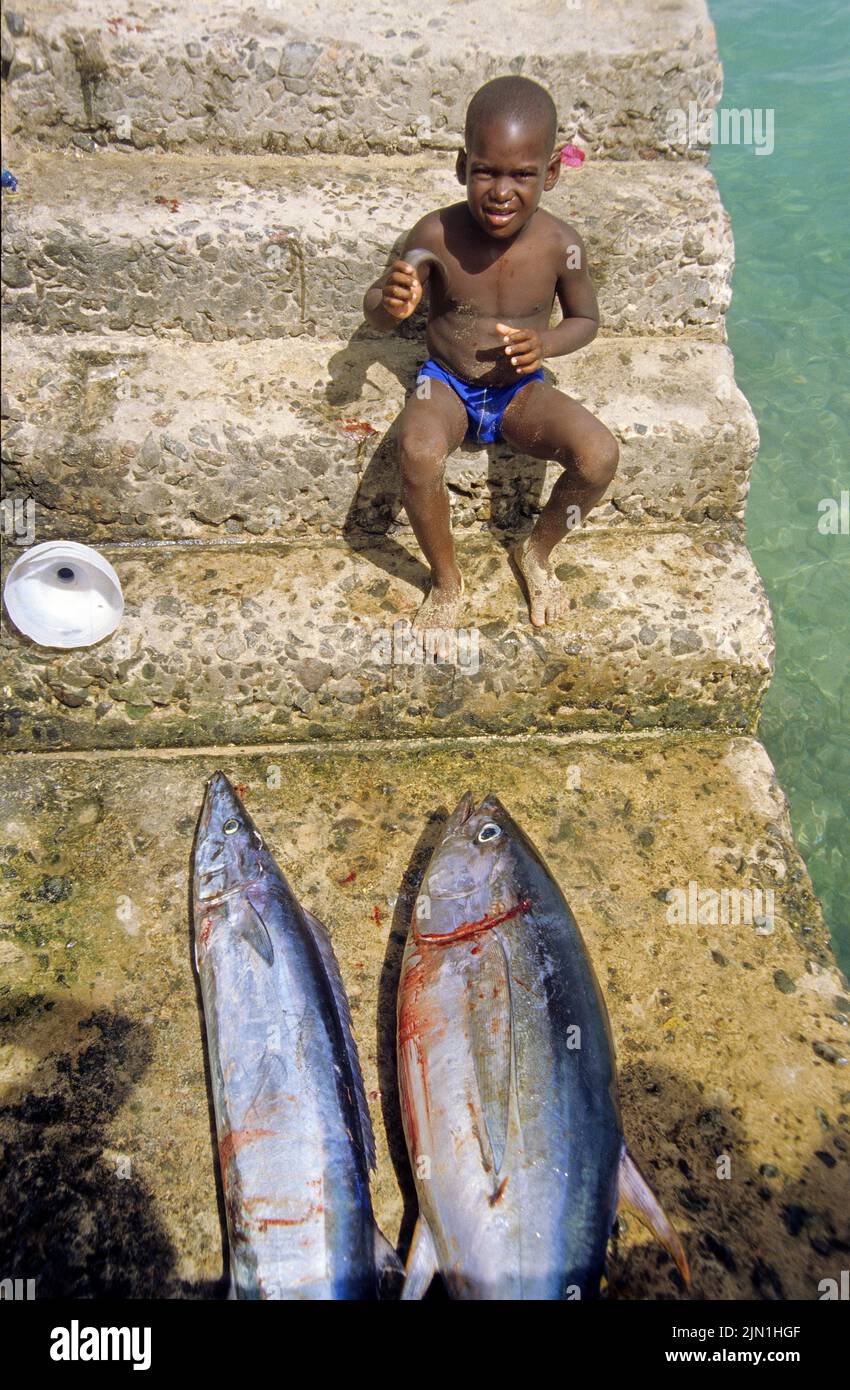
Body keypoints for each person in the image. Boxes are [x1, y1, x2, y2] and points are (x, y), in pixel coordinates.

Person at [362, 75, 619, 628]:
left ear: (550, 173)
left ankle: (538, 552)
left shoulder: (561, 246)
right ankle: (446, 579)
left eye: (523, 174)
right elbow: (380, 311)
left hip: (521, 390)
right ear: (462, 166)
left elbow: (586, 320)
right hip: (447, 384)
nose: (502, 191)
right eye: (486, 171)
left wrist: (545, 343)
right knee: (418, 448)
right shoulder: (435, 233)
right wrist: (389, 300)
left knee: (599, 456)